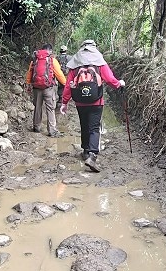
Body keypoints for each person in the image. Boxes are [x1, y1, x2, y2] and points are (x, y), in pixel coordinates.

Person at [59, 40, 124, 172]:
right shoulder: (99, 61)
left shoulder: (75, 63)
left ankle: (85, 151)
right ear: (94, 48)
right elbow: (110, 79)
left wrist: (64, 103)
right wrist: (119, 84)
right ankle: (92, 156)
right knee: (94, 127)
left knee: (84, 125)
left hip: (80, 102)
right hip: (96, 101)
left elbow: (68, 85)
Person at [25, 43, 67, 137]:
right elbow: (59, 74)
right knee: (50, 108)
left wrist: (28, 84)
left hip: (36, 88)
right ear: (50, 51)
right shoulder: (52, 60)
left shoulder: (35, 59)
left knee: (37, 107)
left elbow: (30, 73)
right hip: (48, 88)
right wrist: (66, 84)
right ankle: (52, 130)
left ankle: (36, 127)